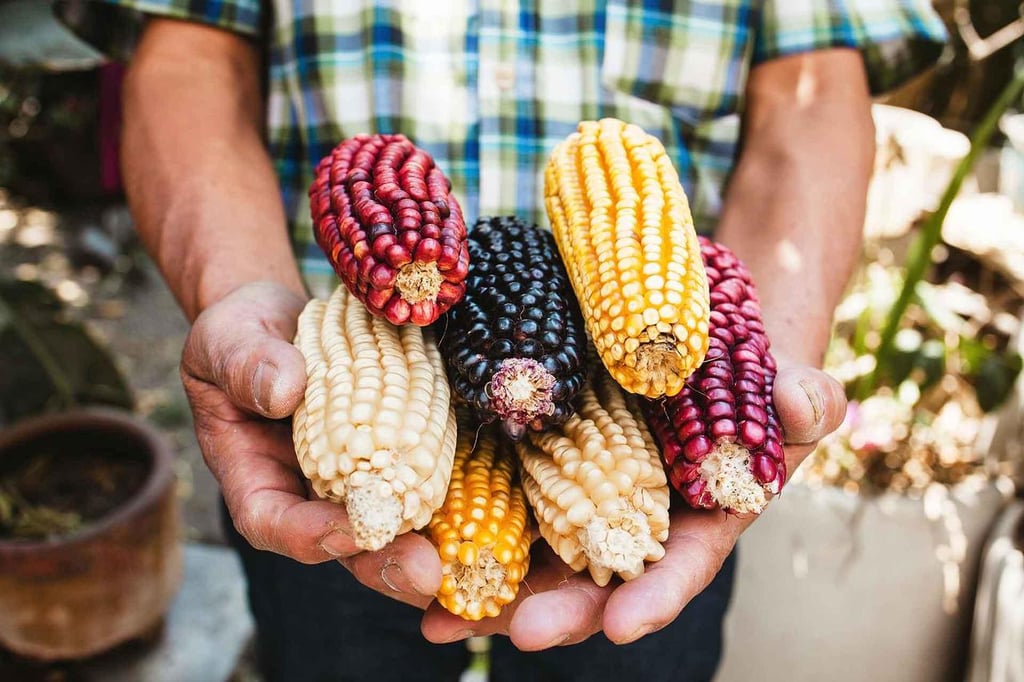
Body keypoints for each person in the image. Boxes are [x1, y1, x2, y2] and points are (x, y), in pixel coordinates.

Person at [60, 1, 947, 680]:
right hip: (320, 422)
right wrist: (237, 293)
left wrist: (757, 361)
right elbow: (186, 57)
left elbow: (812, 97)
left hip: (644, 435)